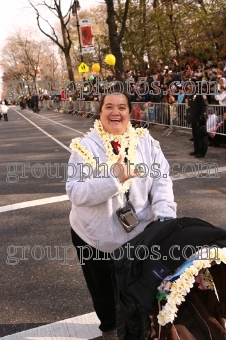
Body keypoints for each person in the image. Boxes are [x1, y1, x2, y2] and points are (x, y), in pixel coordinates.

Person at [66, 93, 177, 340]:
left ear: (129, 112)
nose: (115, 112)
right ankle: (109, 327)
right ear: (100, 112)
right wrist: (114, 178)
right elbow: (75, 192)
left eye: (122, 107)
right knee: (104, 294)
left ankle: (138, 329)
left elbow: (161, 182)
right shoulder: (84, 146)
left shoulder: (147, 143)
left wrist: (165, 218)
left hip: (139, 236)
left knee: (139, 290)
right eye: (109, 107)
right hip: (93, 237)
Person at [186, 83, 209, 158]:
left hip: (199, 118)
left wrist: (203, 117)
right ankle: (197, 149)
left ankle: (202, 152)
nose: (189, 86)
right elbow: (190, 107)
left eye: (190, 84)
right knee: (195, 135)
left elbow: (205, 105)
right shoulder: (191, 94)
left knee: (201, 136)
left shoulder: (200, 92)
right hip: (194, 118)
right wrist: (189, 117)